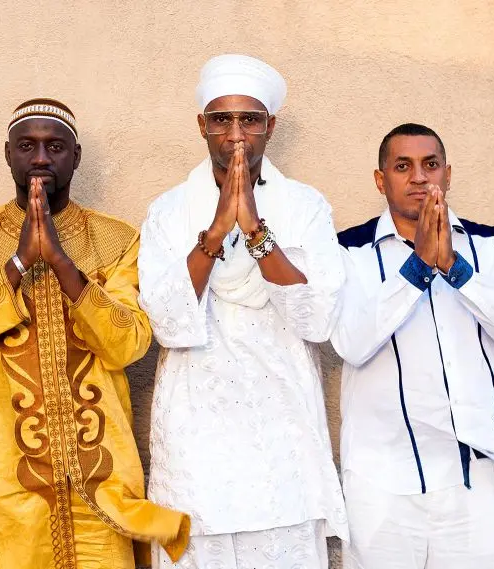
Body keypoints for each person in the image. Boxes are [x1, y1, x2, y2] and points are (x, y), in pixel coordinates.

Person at [0, 98, 189, 569]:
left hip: (101, 486)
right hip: (5, 486)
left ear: (75, 156)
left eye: (55, 147)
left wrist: (63, 264)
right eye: (27, 146)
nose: (41, 158)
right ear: (8, 154)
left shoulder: (116, 240)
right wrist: (18, 263)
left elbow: (129, 344)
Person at [137, 54, 349, 569]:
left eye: (249, 120)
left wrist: (255, 232)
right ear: (202, 126)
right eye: (222, 119)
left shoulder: (306, 206)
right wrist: (214, 232)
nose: (236, 135)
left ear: (270, 126)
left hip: (282, 437)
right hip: (195, 435)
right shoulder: (168, 211)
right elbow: (166, 322)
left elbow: (317, 318)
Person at [332, 123, 494, 569]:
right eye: (402, 166)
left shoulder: (489, 244)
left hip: (468, 478)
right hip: (379, 480)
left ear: (447, 174)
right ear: (380, 180)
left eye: (430, 164)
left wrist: (453, 266)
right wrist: (418, 268)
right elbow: (351, 342)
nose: (419, 177)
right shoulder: (348, 251)